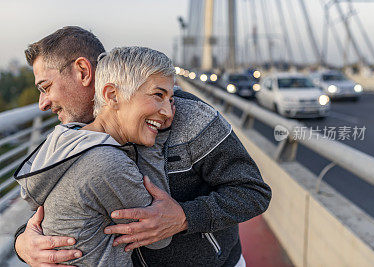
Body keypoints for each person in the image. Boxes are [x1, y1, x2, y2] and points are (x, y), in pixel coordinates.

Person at [15, 26, 272, 266]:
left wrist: (184, 217)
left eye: (46, 87)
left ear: (83, 71)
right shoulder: (75, 136)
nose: (43, 103)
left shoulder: (191, 116)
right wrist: (23, 244)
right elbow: (52, 204)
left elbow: (252, 191)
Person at [15, 46, 176, 266]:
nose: (168, 112)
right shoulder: (108, 164)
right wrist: (155, 144)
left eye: (171, 100)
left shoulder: (65, 140)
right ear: (112, 95)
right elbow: (160, 237)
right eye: (159, 95)